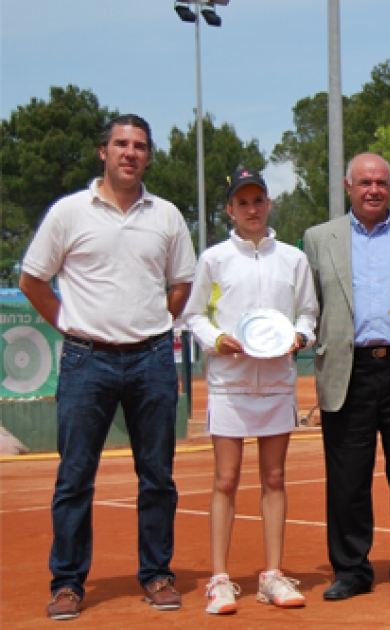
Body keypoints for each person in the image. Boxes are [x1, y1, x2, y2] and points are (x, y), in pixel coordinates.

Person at [19, 114, 196, 621]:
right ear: (103, 152)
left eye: (139, 145)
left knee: (157, 476)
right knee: (75, 478)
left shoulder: (166, 215)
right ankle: (68, 582)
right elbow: (34, 280)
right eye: (121, 144)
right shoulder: (68, 212)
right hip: (85, 361)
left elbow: (181, 284)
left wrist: (155, 323)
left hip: (151, 359)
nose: (130, 153)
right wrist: (71, 324)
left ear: (148, 156)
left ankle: (157, 574)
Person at [182, 168, 318, 614]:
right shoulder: (214, 259)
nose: (252, 210)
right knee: (225, 480)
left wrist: (300, 336)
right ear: (229, 210)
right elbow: (195, 314)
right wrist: (216, 339)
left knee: (275, 479)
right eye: (242, 203)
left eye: (258, 200)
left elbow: (308, 313)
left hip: (277, 382)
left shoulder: (292, 259)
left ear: (268, 203)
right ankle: (220, 579)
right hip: (230, 383)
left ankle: (273, 575)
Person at [302, 153, 390, 600]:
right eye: (364, 182)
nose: (373, 189)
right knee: (347, 479)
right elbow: (310, 304)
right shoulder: (318, 239)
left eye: (380, 182)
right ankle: (351, 570)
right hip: (347, 370)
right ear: (347, 186)